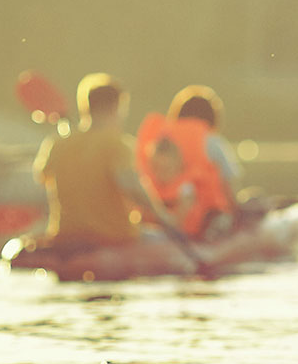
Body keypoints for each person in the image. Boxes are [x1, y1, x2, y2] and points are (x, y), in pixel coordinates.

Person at [33, 73, 190, 251]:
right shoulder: (117, 145)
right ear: (118, 107)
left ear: (85, 106)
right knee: (167, 242)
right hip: (114, 237)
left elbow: (41, 180)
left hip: (65, 236)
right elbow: (134, 190)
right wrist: (165, 219)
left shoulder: (57, 145)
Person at [135, 85, 244, 239]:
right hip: (205, 222)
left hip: (158, 217)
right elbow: (230, 186)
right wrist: (238, 215)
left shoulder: (157, 139)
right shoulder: (212, 140)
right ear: (212, 117)